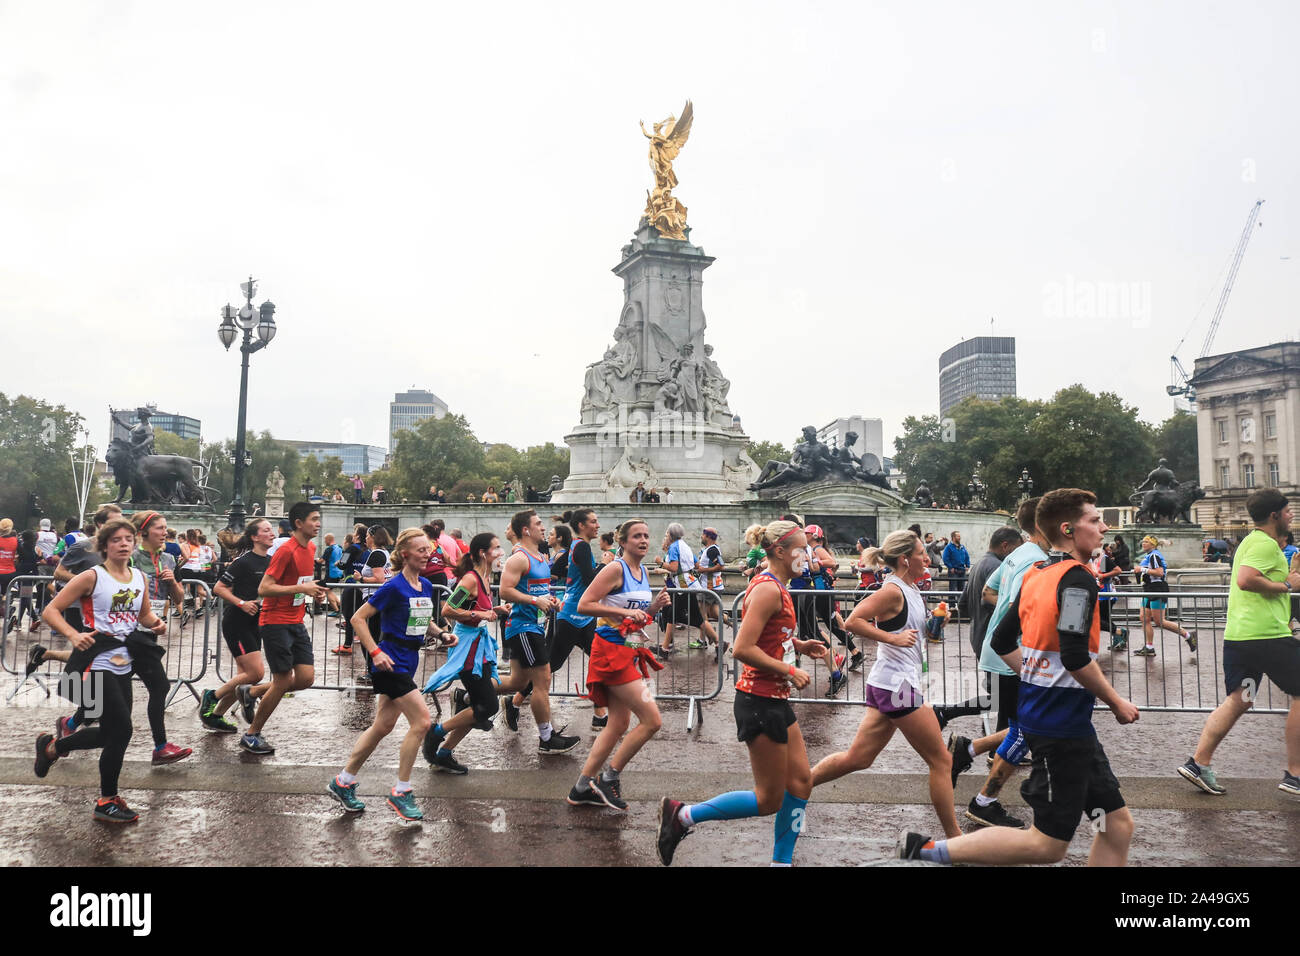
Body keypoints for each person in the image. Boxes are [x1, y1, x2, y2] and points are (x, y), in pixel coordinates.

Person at [898, 488, 1139, 867]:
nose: (1104, 526)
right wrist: (1116, 701)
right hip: (1061, 730)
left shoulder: (1037, 573)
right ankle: (926, 851)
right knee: (1047, 845)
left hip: (1063, 722)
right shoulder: (1078, 580)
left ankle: (928, 850)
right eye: (1094, 520)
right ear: (1068, 529)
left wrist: (1034, 673)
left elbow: (1001, 638)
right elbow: (1075, 655)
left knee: (1116, 826)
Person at [655, 520, 826, 865]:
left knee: (802, 782)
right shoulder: (767, 589)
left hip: (774, 699)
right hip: (759, 701)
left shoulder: (777, 585)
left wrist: (799, 645)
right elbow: (742, 648)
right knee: (768, 800)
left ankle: (781, 861)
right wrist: (788, 670)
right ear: (779, 551)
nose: (806, 556)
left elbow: (768, 637)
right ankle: (682, 815)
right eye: (800, 550)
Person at [809, 530, 962, 840]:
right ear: (905, 558)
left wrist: (936, 623)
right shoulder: (893, 590)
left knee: (859, 758)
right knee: (941, 760)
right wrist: (892, 638)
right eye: (921, 553)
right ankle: (956, 840)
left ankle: (797, 785)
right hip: (897, 686)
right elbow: (852, 621)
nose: (927, 558)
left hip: (890, 683)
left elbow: (919, 635)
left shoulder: (912, 590)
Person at [35, 518, 165, 823]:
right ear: (104, 545)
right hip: (96, 662)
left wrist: (155, 625)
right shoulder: (92, 576)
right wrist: (73, 634)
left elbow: (144, 614)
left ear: (134, 543)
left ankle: (53, 748)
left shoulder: (138, 578)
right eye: (116, 539)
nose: (123, 543)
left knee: (112, 733)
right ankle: (106, 800)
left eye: (128, 539)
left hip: (124, 662)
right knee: (122, 730)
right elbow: (50, 611)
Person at [1177, 489, 1300, 797]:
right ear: (1274, 515)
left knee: (1240, 699)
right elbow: (1246, 579)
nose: (1292, 515)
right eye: (1288, 511)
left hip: (1240, 637)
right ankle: (1296, 775)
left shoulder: (1249, 541)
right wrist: (1287, 584)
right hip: (1266, 636)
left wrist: (1291, 577)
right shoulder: (1264, 543)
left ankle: (1198, 762)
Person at [943, 499, 1044, 829]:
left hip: (994, 645)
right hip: (1011, 651)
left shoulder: (1013, 556)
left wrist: (1003, 616)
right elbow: (1016, 604)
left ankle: (967, 749)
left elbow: (986, 594)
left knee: (1015, 718)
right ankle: (984, 793)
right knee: (1024, 724)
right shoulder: (1035, 561)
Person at [329, 529, 437, 820]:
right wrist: (375, 652)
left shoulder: (424, 585)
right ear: (405, 555)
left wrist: (442, 633)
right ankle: (401, 791)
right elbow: (358, 619)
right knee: (422, 721)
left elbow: (423, 620)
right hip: (389, 661)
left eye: (428, 549)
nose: (427, 554)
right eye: (421, 550)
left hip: (409, 658)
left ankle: (343, 781)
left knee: (382, 726)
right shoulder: (393, 586)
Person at [568, 518, 671, 811]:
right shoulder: (616, 568)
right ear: (622, 542)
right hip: (611, 653)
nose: (643, 540)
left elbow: (633, 618)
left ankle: (580, 788)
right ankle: (608, 778)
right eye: (636, 536)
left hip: (628, 650)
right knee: (652, 720)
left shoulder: (643, 572)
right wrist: (622, 613)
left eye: (646, 535)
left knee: (618, 724)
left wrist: (652, 608)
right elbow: (584, 605)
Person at [241, 502, 328, 755]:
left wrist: (319, 592)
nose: (318, 523)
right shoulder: (286, 550)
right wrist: (302, 589)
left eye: (318, 518)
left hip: (296, 620)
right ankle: (251, 734)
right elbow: (264, 589)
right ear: (299, 523)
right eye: (314, 519)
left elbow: (302, 582)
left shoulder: (311, 548)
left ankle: (252, 692)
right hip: (275, 621)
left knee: (305, 679)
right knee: (281, 681)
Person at [421, 533, 509, 774]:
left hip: (480, 646)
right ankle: (436, 732)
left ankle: (445, 753)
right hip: (468, 649)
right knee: (487, 708)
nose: (501, 552)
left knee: (480, 710)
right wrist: (480, 616)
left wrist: (496, 610)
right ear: (483, 552)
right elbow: (449, 608)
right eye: (497, 548)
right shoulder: (471, 578)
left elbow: (477, 608)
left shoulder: (485, 576)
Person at [495, 510, 579, 753]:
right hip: (523, 627)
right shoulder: (518, 558)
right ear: (525, 530)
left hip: (535, 625)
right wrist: (534, 601)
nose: (544, 528)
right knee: (543, 679)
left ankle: (469, 694)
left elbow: (538, 590)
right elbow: (505, 591)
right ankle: (546, 738)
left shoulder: (541, 557)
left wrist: (549, 600)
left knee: (517, 682)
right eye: (539, 524)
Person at [126, 511, 192, 764]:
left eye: (165, 528)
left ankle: (71, 723)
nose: (165, 532)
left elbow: (178, 598)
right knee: (158, 686)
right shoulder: (131, 557)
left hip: (149, 631)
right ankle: (160, 747)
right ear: (144, 532)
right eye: (159, 528)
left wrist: (172, 581)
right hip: (129, 632)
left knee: (119, 689)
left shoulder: (168, 558)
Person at [201, 518, 272, 732]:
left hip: (255, 623)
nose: (272, 533)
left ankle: (215, 716)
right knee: (255, 674)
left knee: (242, 679)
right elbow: (219, 588)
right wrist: (241, 603)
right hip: (237, 623)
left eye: (271, 530)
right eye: (266, 530)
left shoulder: (270, 561)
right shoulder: (243, 562)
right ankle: (211, 696)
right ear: (254, 537)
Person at [1134, 534, 1196, 658]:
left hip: (1157, 589)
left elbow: (1159, 572)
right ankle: (1149, 647)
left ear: (1152, 544)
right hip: (1148, 589)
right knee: (1144, 617)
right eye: (1143, 541)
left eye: (1146, 542)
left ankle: (1188, 636)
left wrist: (1142, 570)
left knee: (1159, 621)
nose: (1143, 543)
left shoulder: (1155, 555)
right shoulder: (1149, 555)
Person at [0, 518, 17, 632]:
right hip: (10, 572)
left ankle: (7, 612)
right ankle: (7, 611)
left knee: (2, 598)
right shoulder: (15, 541)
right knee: (5, 596)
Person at [942, 531, 970, 598]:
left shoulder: (962, 547)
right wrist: (950, 567)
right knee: (952, 589)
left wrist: (968, 565)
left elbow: (966, 556)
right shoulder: (949, 547)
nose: (960, 538)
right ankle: (952, 605)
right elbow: (945, 558)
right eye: (958, 536)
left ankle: (960, 606)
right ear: (953, 537)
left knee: (962, 589)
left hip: (962, 570)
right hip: (954, 571)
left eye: (959, 536)